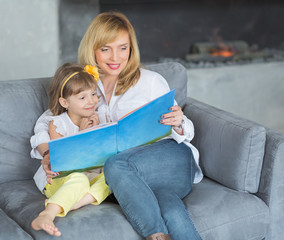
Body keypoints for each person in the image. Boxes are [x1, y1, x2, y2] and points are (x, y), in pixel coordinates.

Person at [33, 12, 203, 240]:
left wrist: (179, 121)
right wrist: (47, 152)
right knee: (171, 210)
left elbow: (185, 131)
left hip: (171, 161)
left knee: (114, 164)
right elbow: (49, 118)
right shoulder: (85, 84)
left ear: (131, 49)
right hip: (133, 179)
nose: (116, 57)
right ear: (93, 49)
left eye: (123, 48)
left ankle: (155, 236)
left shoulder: (150, 81)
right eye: (106, 49)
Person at [30, 63, 112, 236]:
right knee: (79, 179)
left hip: (90, 175)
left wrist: (98, 131)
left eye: (93, 94)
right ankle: (48, 213)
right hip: (60, 179)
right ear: (65, 102)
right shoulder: (58, 124)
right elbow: (64, 162)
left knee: (114, 174)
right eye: (82, 98)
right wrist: (83, 134)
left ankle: (76, 202)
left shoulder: (101, 117)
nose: (91, 101)